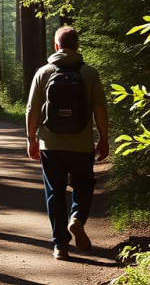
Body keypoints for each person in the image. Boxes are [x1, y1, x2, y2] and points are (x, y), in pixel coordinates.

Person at [26, 26, 109, 260]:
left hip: (51, 145)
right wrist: (103, 138)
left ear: (56, 46)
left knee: (55, 192)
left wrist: (31, 138)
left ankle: (60, 246)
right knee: (83, 184)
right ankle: (77, 218)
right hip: (82, 144)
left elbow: (32, 109)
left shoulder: (44, 72)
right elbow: (100, 109)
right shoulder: (90, 73)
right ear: (77, 46)